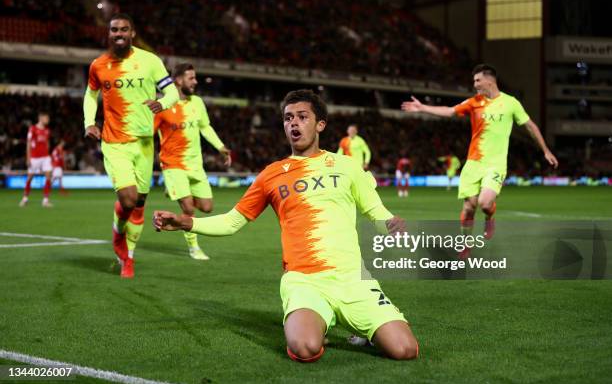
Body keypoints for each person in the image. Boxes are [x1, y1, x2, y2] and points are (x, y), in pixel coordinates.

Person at [154, 89, 418, 362]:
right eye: (288, 118)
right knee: (304, 347)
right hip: (305, 281)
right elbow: (232, 222)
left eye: (302, 117)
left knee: (405, 350)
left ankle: (352, 322)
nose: (294, 123)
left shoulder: (348, 166)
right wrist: (187, 222)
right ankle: (315, 318)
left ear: (320, 124)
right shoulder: (271, 175)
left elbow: (376, 212)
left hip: (352, 279)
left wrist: (390, 225)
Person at [401, 64, 558, 244]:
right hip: (473, 163)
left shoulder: (511, 103)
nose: (475, 84)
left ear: (489, 81)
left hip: (496, 165)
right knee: (469, 207)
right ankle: (465, 244)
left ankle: (490, 217)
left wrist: (545, 150)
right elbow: (450, 110)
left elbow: (530, 126)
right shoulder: (474, 103)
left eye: (478, 80)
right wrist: (423, 108)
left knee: (484, 203)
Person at [83, 13, 179, 278]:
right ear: (109, 33)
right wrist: (89, 122)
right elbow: (90, 96)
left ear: (132, 33)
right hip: (115, 142)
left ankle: (130, 257)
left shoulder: (150, 61)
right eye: (114, 30)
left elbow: (172, 91)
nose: (119, 34)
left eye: (124, 29)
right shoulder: (99, 65)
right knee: (127, 198)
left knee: (139, 203)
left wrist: (163, 103)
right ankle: (118, 238)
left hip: (145, 143)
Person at [154, 63, 231, 260]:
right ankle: (194, 247)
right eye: (191, 78)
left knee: (207, 207)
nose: (195, 82)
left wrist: (221, 147)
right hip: (173, 164)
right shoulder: (162, 105)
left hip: (195, 165)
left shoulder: (196, 102)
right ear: (178, 81)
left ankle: (176, 190)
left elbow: (205, 127)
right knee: (188, 208)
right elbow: (148, 133)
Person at [20, 112, 53, 207]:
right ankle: (25, 198)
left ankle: (45, 200)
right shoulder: (33, 129)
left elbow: (47, 143)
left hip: (45, 157)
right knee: (30, 177)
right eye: (46, 118)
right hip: (34, 157)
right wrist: (28, 158)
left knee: (48, 176)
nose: (48, 120)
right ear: (41, 118)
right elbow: (28, 144)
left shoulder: (47, 130)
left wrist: (48, 154)